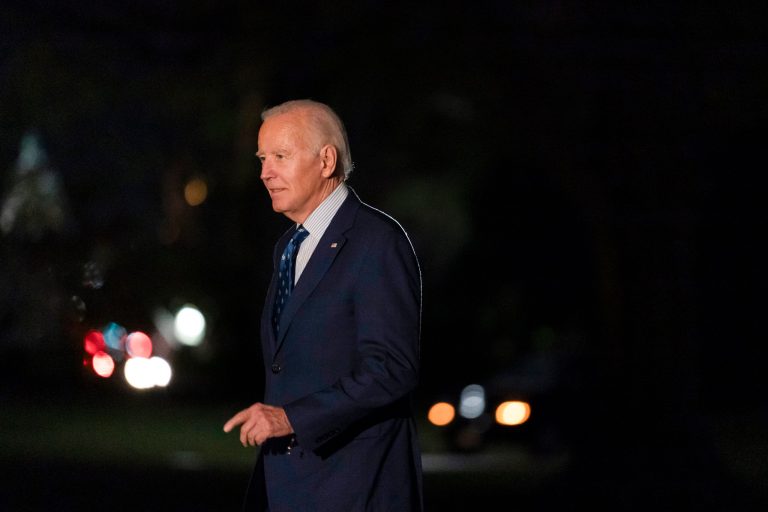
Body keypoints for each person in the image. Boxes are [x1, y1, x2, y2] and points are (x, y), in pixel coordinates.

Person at [223, 99, 424, 511]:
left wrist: (291, 418)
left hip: (355, 484)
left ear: (326, 160)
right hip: (291, 483)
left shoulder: (377, 242)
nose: (265, 173)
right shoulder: (288, 247)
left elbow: (392, 368)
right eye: (262, 158)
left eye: (280, 156)